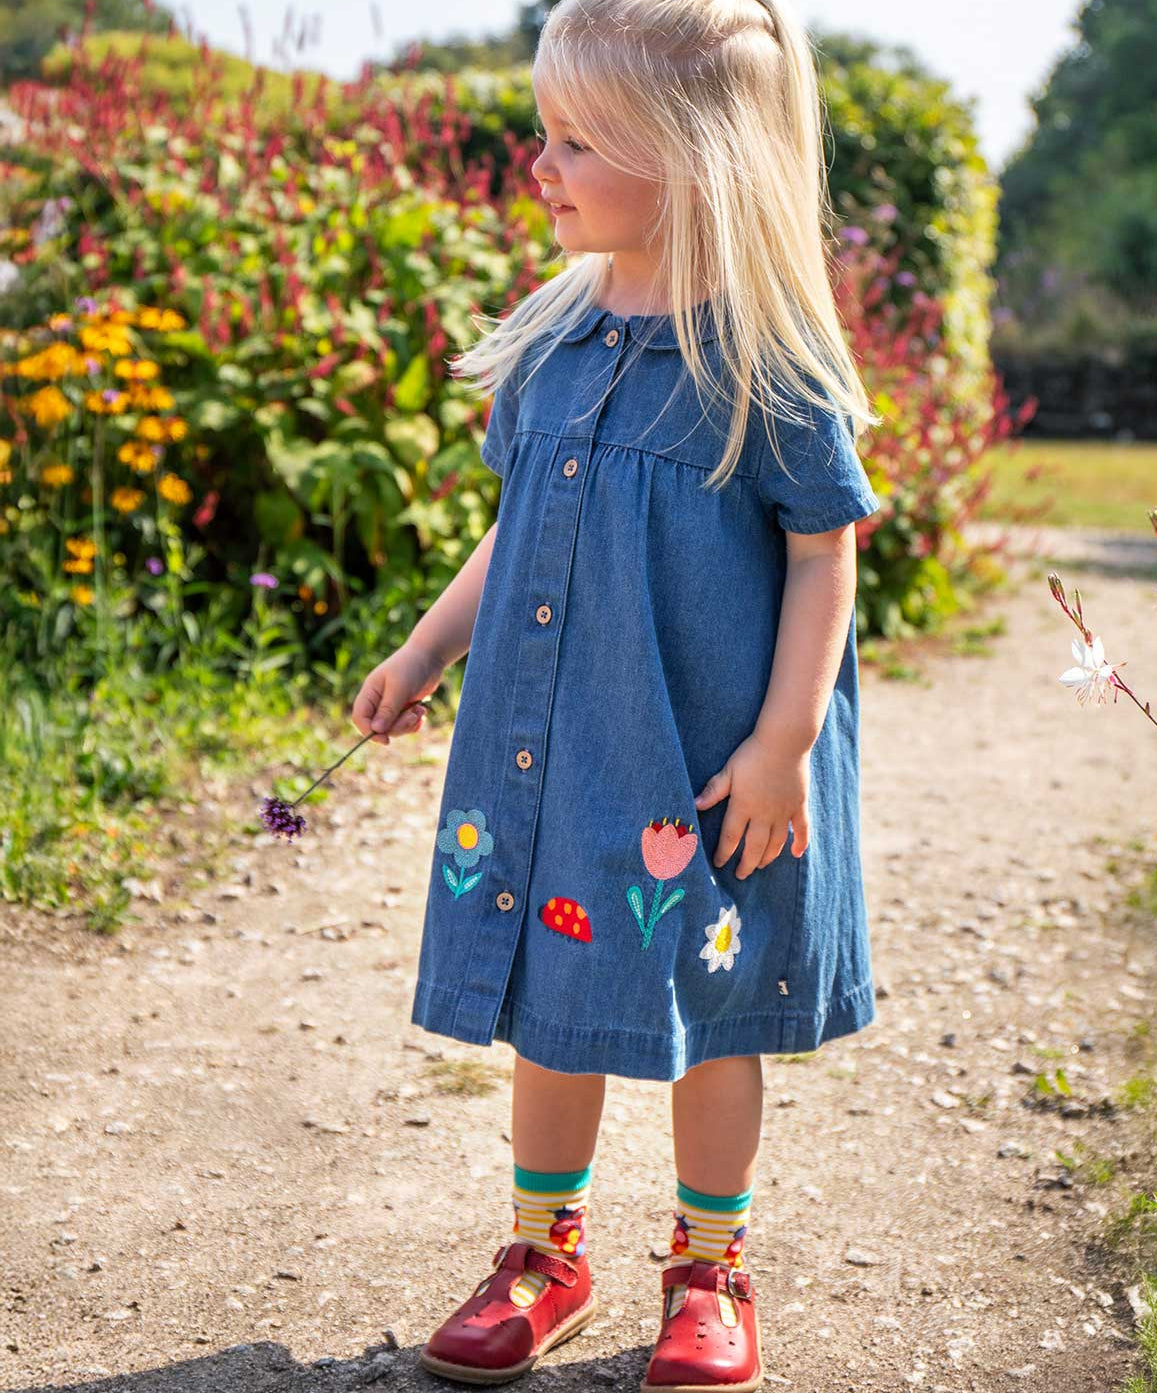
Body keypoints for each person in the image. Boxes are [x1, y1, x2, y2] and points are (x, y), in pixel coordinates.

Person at [351, 1, 885, 1387]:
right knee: (556, 992)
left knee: (715, 1010)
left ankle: (709, 1267)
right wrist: (422, 652)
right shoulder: (553, 347)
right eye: (549, 132)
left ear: (696, 161)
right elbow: (515, 531)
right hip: (565, 747)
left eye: (580, 141)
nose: (542, 165)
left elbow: (825, 557)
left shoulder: (768, 365)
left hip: (715, 757)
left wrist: (785, 742)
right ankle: (546, 1249)